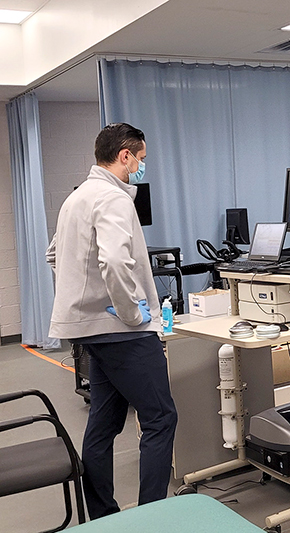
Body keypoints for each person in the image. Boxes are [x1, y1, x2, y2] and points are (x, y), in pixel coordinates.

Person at [46, 123, 177, 519]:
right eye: (141, 159)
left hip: (92, 332)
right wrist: (131, 313)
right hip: (121, 331)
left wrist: (85, 298)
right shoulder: (114, 198)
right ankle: (152, 517)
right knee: (160, 418)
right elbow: (116, 261)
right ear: (125, 156)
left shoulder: (77, 197)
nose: (141, 166)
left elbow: (55, 256)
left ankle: (104, 514)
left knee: (104, 424)